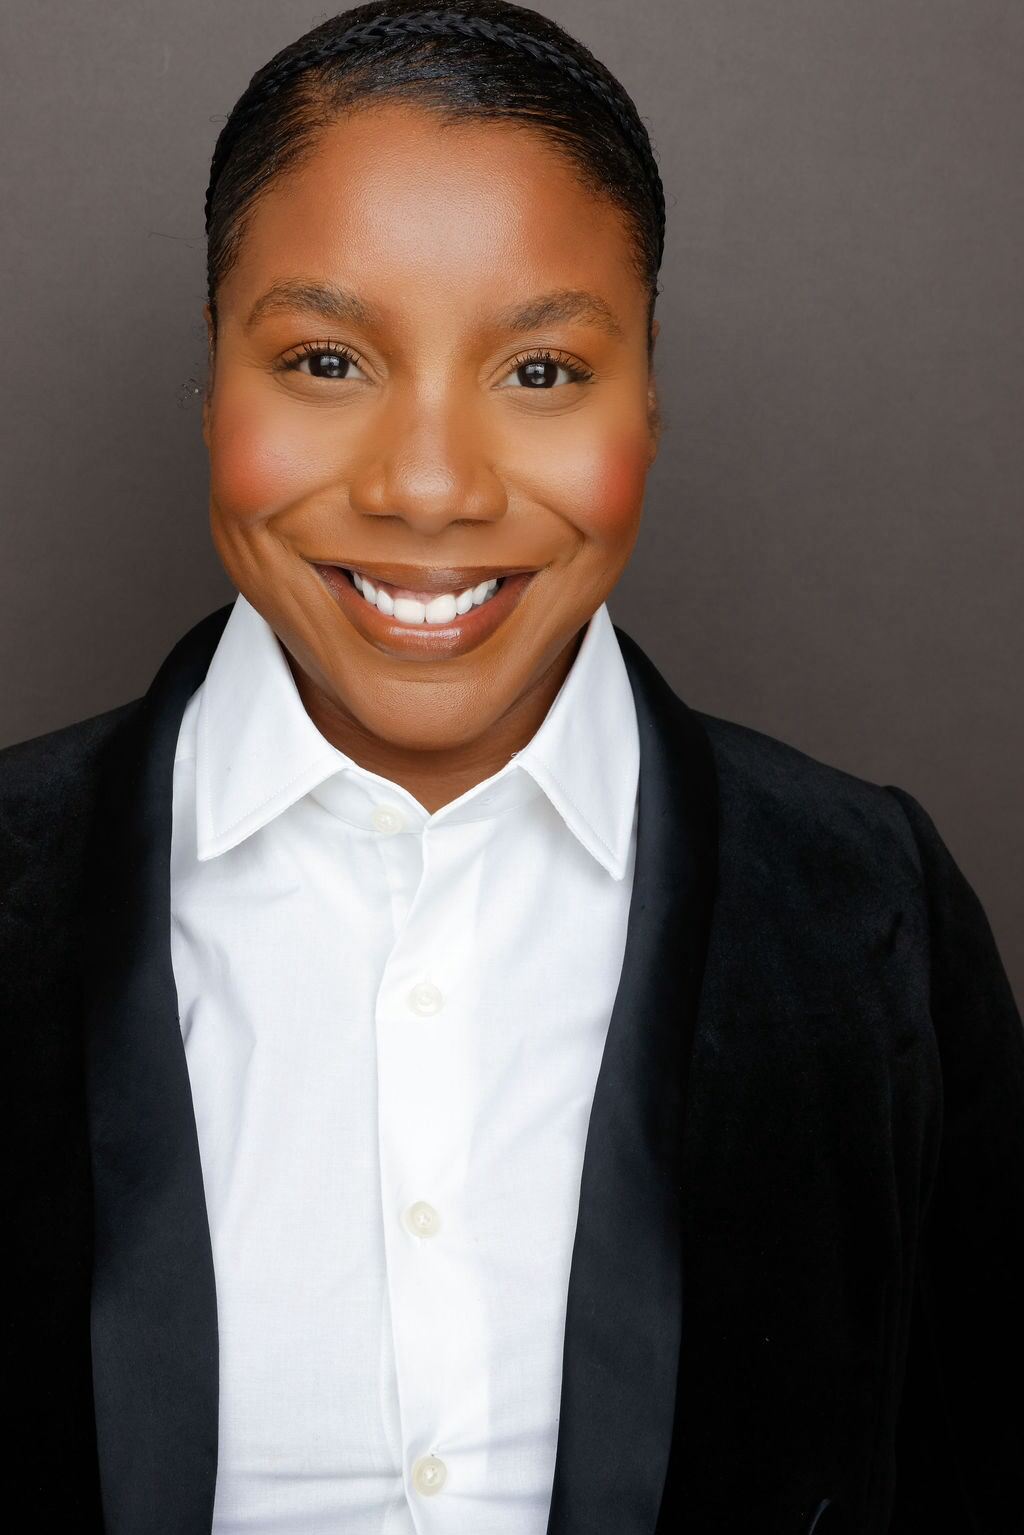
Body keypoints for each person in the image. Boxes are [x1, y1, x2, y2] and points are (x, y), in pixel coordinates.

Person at [3, 3, 1021, 1532]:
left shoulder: (874, 919)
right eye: (327, 359)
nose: (430, 488)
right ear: (212, 383)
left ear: (649, 398)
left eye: (540, 372)